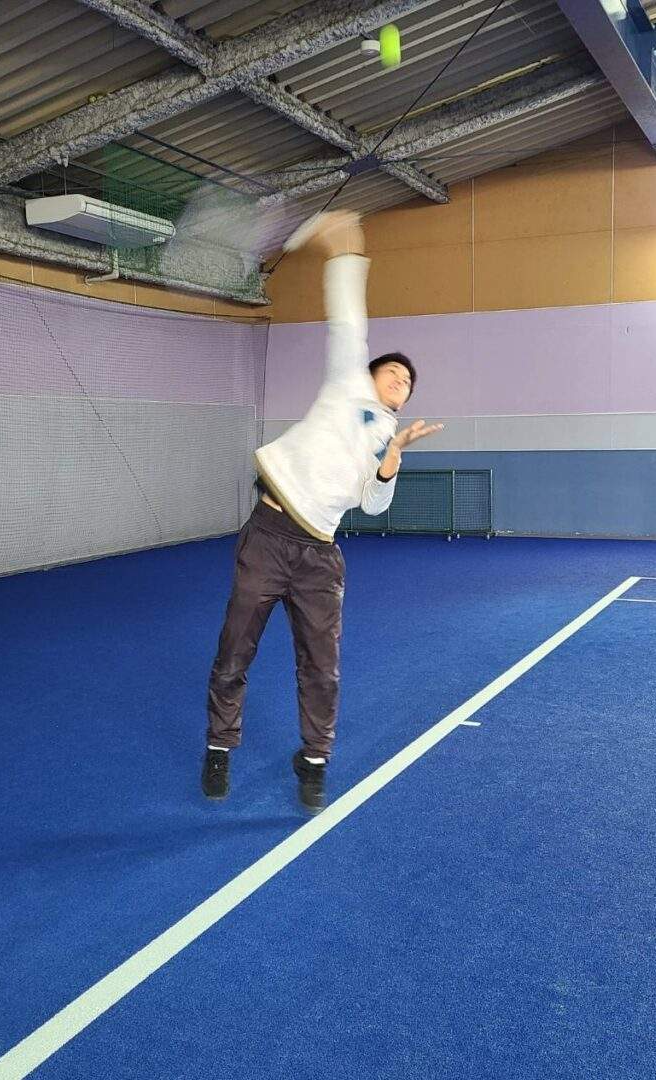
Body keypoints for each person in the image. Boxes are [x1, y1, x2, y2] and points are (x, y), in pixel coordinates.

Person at [201, 211, 443, 812]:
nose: (401, 381)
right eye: (394, 372)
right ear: (370, 374)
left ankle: (313, 759)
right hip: (268, 534)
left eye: (408, 382)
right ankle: (219, 746)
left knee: (322, 669)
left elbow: (374, 504)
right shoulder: (346, 387)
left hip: (319, 556)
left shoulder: (386, 439)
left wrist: (392, 458)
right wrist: (344, 252)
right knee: (235, 651)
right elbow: (349, 324)